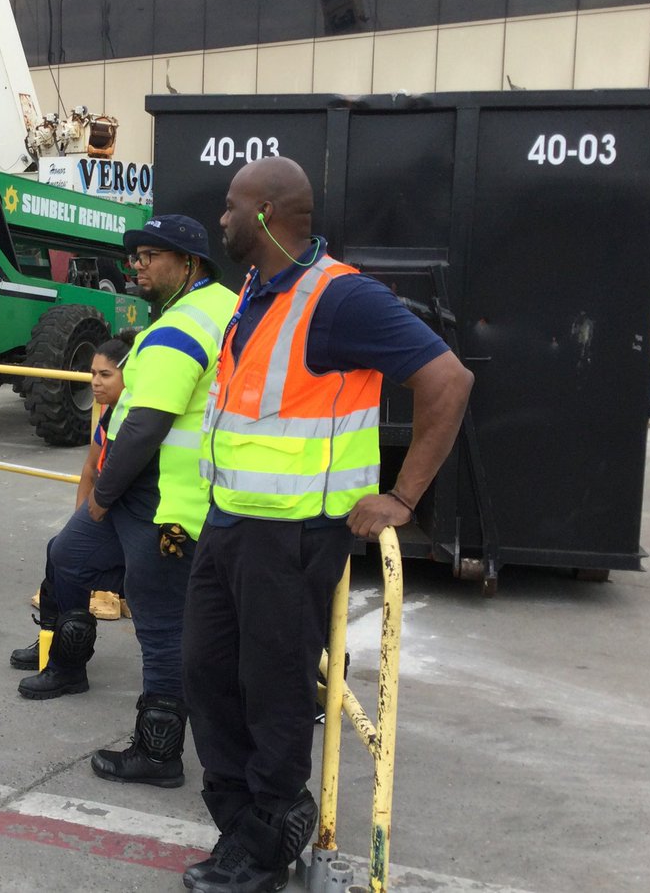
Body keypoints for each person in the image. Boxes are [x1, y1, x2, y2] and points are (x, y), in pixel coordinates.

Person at [180, 158, 473, 893]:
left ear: (269, 213)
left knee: (272, 693)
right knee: (206, 675)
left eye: (230, 206)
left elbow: (448, 380)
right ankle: (240, 826)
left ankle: (268, 838)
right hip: (232, 524)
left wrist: (402, 499)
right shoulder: (257, 286)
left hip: (293, 538)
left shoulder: (340, 299)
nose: (221, 219)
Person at [17, 215, 238, 792]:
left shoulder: (179, 327)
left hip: (162, 500)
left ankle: (158, 751)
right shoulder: (222, 305)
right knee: (67, 557)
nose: (136, 264)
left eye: (149, 255)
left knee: (162, 627)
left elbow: (144, 426)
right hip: (155, 493)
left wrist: (101, 496)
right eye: (134, 254)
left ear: (189, 262)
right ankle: (68, 663)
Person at [9, 333, 133, 671]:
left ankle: (68, 660)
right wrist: (79, 523)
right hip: (108, 521)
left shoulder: (139, 417)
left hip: (135, 527)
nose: (94, 382)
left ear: (131, 374)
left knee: (65, 555)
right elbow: (90, 470)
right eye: (92, 373)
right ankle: (53, 643)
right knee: (59, 548)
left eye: (105, 375)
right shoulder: (111, 415)